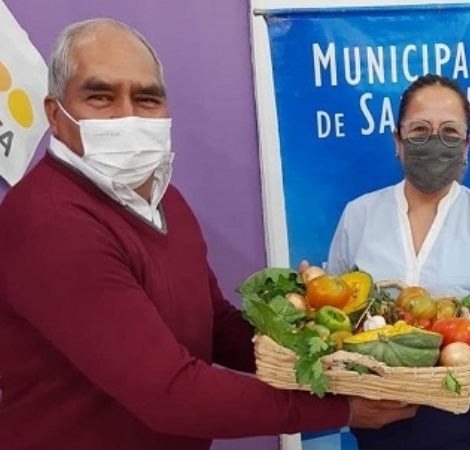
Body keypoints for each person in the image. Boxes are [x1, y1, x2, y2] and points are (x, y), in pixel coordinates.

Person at [0, 18, 415, 450]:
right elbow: (171, 395)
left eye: (146, 99)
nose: (127, 115)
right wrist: (342, 409)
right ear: (55, 112)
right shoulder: (50, 221)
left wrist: (325, 347)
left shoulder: (165, 200)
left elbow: (214, 325)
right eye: (100, 96)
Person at [324, 73, 470, 450]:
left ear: (466, 145)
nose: (435, 142)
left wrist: (464, 362)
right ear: (398, 141)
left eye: (449, 132)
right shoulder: (359, 214)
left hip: (461, 417)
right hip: (377, 414)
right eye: (419, 130)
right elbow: (335, 317)